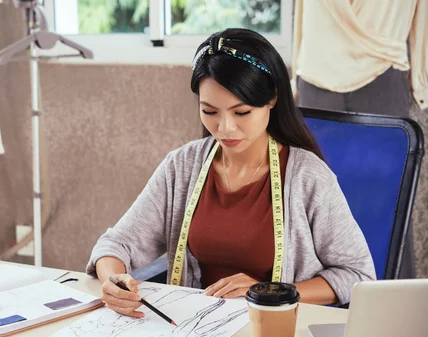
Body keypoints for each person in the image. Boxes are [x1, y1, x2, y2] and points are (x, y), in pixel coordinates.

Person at [86, 28, 376, 319]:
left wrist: (271, 292)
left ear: (272, 99)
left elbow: (357, 275)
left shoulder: (308, 177)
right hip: (196, 331)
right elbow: (117, 243)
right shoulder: (182, 167)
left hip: (277, 334)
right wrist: (113, 280)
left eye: (241, 112)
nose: (224, 128)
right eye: (209, 111)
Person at [291, 0, 427, 279]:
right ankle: (312, 306)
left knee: (389, 204)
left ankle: (393, 310)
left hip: (381, 75)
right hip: (318, 72)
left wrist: (421, 81)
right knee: (312, 201)